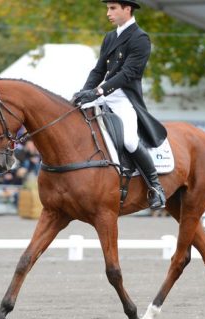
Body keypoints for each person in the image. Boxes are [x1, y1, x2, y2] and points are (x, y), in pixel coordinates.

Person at [71, 0, 167, 210]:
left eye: (112, 8)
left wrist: (98, 91)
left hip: (124, 96)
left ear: (127, 9)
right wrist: (84, 92)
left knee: (130, 140)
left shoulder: (140, 38)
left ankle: (155, 185)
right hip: (103, 93)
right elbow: (98, 70)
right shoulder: (110, 37)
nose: (108, 13)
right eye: (108, 8)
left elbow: (128, 74)